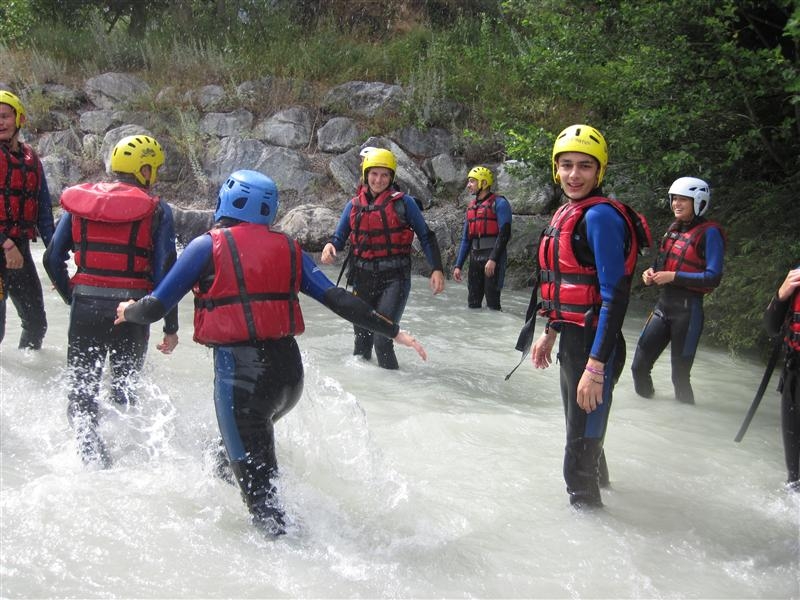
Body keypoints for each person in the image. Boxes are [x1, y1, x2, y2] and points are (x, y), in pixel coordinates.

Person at [114, 169, 427, 535]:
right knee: (226, 456)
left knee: (266, 511)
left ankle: (297, 551)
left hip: (243, 382)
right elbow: (338, 299)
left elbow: (153, 308)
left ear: (228, 200)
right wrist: (394, 331)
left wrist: (127, 311)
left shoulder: (205, 247)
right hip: (289, 379)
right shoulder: (289, 247)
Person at [43, 134, 179, 469]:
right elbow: (166, 271)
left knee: (82, 390)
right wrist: (170, 326)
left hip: (85, 306)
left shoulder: (81, 203)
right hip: (132, 311)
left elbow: (52, 258)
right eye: (154, 169)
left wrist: (74, 297)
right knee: (124, 388)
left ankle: (89, 458)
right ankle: (125, 458)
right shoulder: (158, 210)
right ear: (144, 170)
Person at [530, 124, 647, 508]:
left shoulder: (600, 218)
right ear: (556, 168)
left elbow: (615, 297)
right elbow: (566, 283)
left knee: (577, 461)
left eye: (585, 166)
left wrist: (596, 366)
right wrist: (550, 331)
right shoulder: (569, 211)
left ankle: (591, 517)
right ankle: (605, 500)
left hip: (598, 347)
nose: (574, 174)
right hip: (575, 340)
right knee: (582, 437)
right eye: (566, 165)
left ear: (600, 171)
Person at [320, 147, 444, 369]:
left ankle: (396, 387)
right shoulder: (354, 205)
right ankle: (364, 388)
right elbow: (338, 238)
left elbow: (426, 236)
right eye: (374, 174)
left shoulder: (405, 204)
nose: (379, 180)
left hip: (394, 280)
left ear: (391, 177)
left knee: (382, 338)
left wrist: (436, 268)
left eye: (385, 175)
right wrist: (330, 246)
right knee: (361, 341)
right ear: (366, 174)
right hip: (362, 279)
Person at [630, 177, 725, 404]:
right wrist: (650, 273)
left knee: (679, 378)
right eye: (674, 199)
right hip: (663, 308)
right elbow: (660, 265)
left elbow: (714, 277)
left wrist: (673, 276)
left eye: (683, 199)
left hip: (688, 312)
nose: (676, 204)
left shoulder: (710, 233)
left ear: (698, 202)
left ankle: (686, 419)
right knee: (638, 367)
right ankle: (648, 412)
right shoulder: (673, 229)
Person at [0, 90, 55, 349]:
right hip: (5, 246)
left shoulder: (31, 159)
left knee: (36, 324)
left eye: (5, 116)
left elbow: (44, 214)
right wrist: (5, 243)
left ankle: (25, 371)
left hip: (20, 250)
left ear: (19, 118)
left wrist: (55, 261)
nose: (0, 122)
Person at [452, 166, 512, 310]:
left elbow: (504, 235)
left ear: (484, 183)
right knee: (473, 304)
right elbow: (466, 239)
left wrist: (493, 259)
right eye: (469, 181)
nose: (468, 185)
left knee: (493, 304)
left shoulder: (500, 203)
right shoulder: (471, 207)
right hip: (475, 257)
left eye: (472, 181)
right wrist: (458, 265)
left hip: (493, 257)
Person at [763, 266, 800, 492]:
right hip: (794, 377)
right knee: (794, 479)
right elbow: (771, 328)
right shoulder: (795, 277)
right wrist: (781, 295)